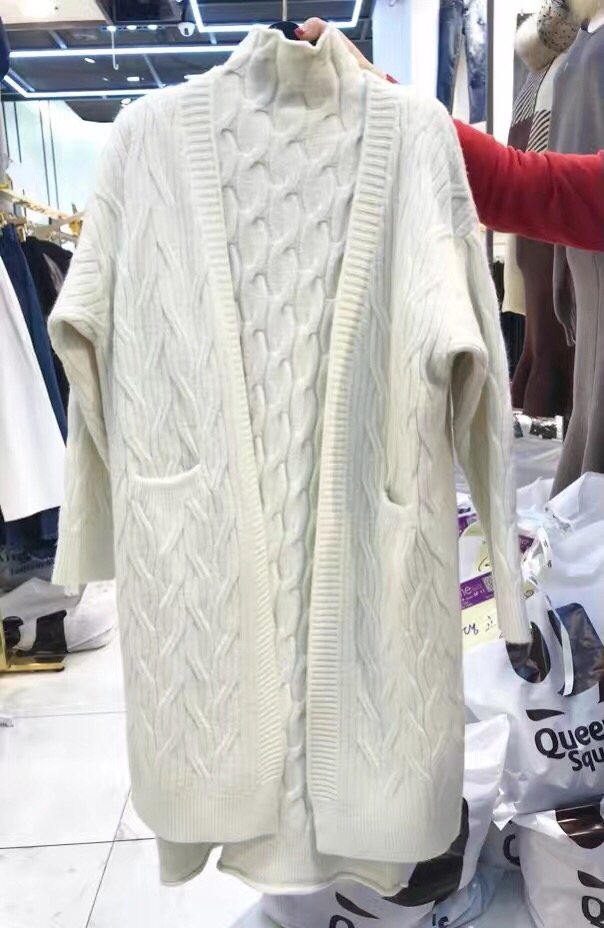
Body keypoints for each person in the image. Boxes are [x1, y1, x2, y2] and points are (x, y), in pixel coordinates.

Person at [295, 18, 604, 253]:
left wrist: (377, 87)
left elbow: (514, 185)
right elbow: (516, 184)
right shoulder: (575, 34)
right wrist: (375, 84)